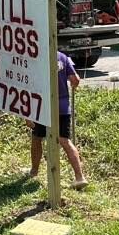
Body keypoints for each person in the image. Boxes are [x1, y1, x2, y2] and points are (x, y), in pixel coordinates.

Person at [29, 50, 88, 189]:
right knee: (65, 141)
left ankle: (34, 172)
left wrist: (28, 114)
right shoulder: (62, 57)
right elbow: (75, 80)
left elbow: (30, 84)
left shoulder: (36, 56)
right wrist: (73, 84)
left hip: (43, 106)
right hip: (62, 107)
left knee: (37, 138)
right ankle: (80, 177)